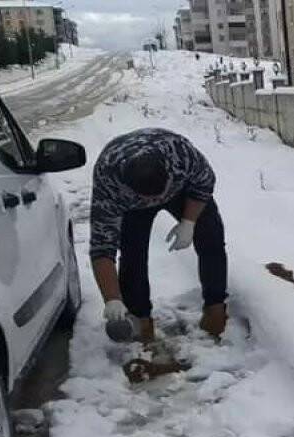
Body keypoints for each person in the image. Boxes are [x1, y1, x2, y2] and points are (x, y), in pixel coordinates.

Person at [89, 128, 228, 342]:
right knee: (132, 255)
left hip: (181, 191)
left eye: (161, 195)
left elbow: (204, 184)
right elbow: (102, 246)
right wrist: (112, 299)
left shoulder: (180, 154)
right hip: (133, 208)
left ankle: (216, 308)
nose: (157, 201)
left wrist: (189, 222)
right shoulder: (109, 182)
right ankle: (140, 323)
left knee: (211, 237)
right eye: (150, 198)